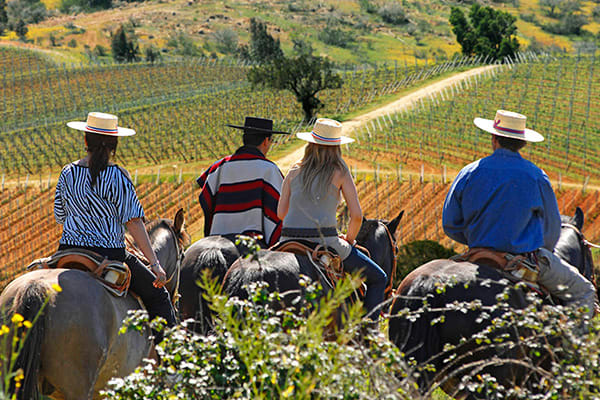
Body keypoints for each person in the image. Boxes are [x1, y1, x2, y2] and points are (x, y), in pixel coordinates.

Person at [443, 109, 597, 315]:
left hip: (476, 255)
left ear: (494, 137)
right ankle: (574, 345)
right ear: (523, 143)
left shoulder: (469, 172)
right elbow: (551, 232)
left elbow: (450, 224)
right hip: (521, 261)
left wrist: (480, 240)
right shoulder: (536, 176)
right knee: (584, 290)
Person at [55, 112, 176, 341]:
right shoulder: (118, 175)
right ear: (114, 144)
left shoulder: (67, 172)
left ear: (85, 141)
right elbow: (134, 222)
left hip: (67, 251)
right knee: (159, 296)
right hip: (109, 255)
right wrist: (155, 265)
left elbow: (60, 216)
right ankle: (170, 361)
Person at [277, 118, 387, 321]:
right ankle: (369, 331)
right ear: (337, 147)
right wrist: (350, 240)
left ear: (310, 144)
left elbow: (280, 214)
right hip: (325, 242)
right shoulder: (340, 171)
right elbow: (356, 216)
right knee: (379, 278)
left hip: (287, 241)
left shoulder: (293, 171)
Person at [197, 117, 289, 248]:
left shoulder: (219, 166)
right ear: (266, 141)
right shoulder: (269, 169)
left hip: (217, 239)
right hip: (253, 241)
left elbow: (205, 200)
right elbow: (279, 211)